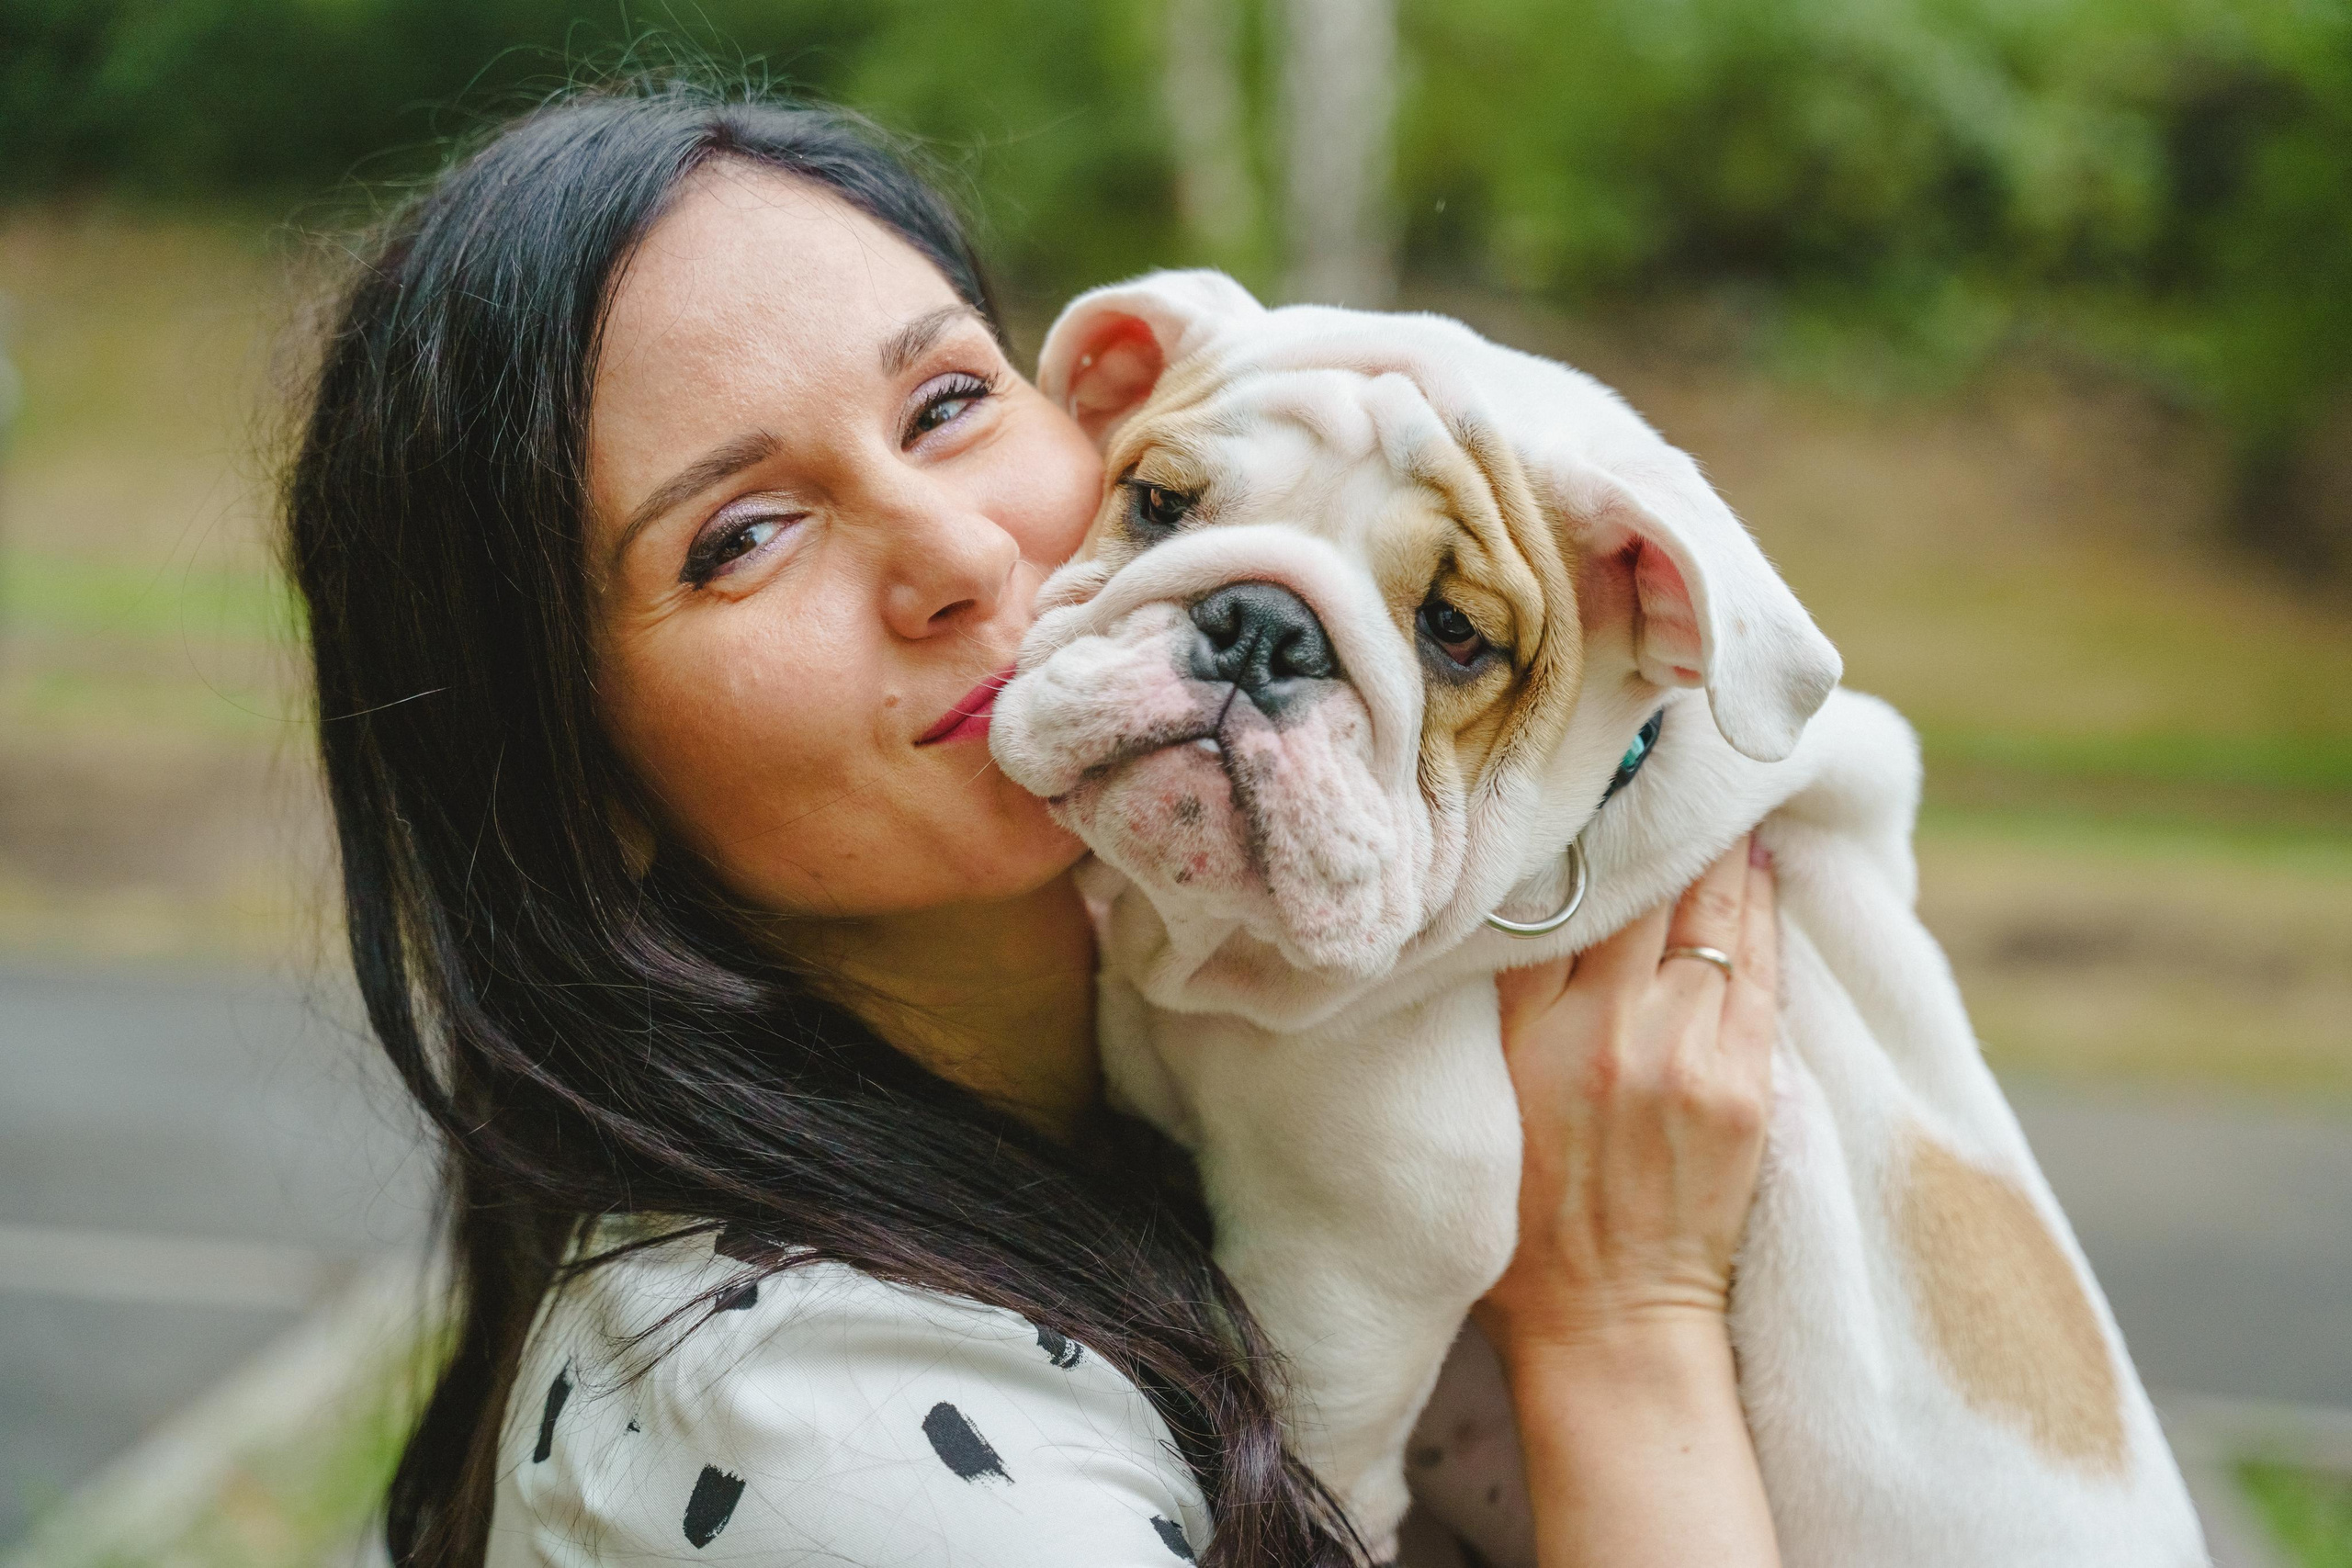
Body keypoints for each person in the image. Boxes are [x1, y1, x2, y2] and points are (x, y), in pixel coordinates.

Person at [284, 80, 1782, 1568]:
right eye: (740, 537)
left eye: (946, 404)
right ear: (574, 780)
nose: (956, 551)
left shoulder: (1180, 1096)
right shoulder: (832, 1444)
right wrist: (1620, 1323)